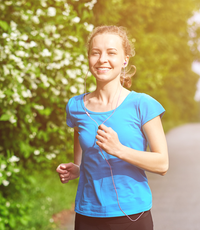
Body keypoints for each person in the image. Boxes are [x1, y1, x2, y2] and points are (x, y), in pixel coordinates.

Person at [56, 25, 169, 230]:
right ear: (89, 58)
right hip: (87, 213)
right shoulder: (76, 107)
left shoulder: (142, 104)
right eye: (95, 53)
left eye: (111, 52)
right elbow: (82, 148)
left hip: (132, 215)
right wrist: (77, 169)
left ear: (125, 59)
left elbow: (162, 164)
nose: (102, 59)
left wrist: (119, 150)